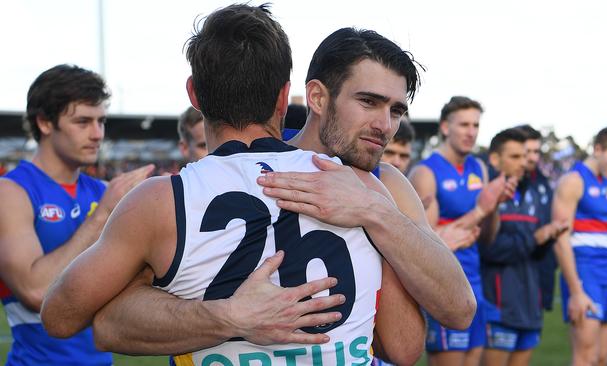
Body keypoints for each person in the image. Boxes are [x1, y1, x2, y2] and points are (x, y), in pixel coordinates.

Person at [42, 6, 475, 365]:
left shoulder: (381, 187)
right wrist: (229, 317)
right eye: (368, 102)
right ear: (300, 97)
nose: (385, 126)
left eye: (397, 109)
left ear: (195, 94)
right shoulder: (365, 183)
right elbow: (104, 322)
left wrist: (375, 214)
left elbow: (418, 336)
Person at [0, 64, 153, 365]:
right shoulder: (11, 192)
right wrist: (102, 216)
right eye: (83, 122)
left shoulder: (103, 191)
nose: (97, 134)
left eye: (101, 121)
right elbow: (35, 291)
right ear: (45, 123)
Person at [409, 96, 517, 366]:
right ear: (445, 127)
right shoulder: (426, 172)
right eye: (464, 124)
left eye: (476, 125)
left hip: (474, 282)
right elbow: (423, 244)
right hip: (443, 283)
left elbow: (488, 237)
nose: (471, 132)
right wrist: (480, 211)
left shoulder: (478, 167)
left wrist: (494, 208)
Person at [479, 128, 569, 366]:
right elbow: (490, 249)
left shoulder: (533, 192)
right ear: (496, 159)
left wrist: (549, 236)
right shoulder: (487, 194)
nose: (527, 161)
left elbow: (538, 251)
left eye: (529, 154)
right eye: (518, 156)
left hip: (530, 304)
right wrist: (536, 238)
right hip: (499, 305)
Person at [553, 126, 607, 366]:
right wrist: (576, 291)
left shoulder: (606, 184)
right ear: (598, 149)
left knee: (601, 359)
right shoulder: (573, 181)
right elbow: (560, 239)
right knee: (585, 358)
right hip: (585, 277)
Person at [516, 124, 557, 312]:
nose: (533, 157)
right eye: (528, 151)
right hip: (510, 276)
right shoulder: (502, 181)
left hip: (539, 273)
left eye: (536, 151)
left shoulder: (542, 182)